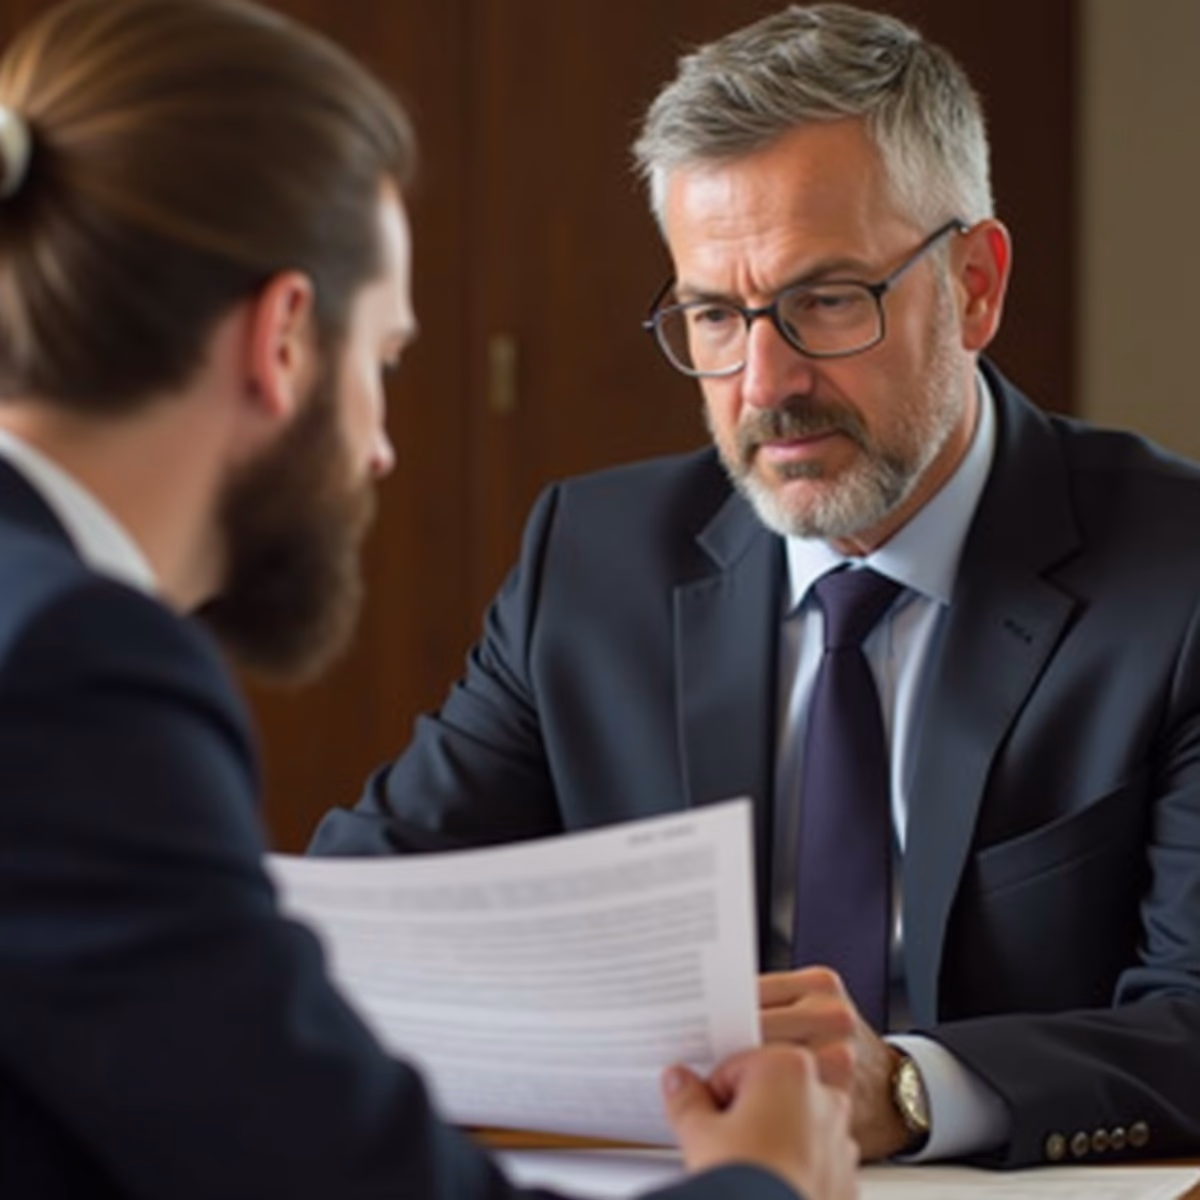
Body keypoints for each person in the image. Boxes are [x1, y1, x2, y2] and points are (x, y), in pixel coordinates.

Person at [311, 0, 1200, 1173]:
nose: (764, 382)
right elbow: (372, 913)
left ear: (975, 286)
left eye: (827, 299)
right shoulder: (591, 559)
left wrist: (912, 1089)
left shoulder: (1178, 579)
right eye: (715, 315)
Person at [0, 2, 862, 1198]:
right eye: (387, 362)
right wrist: (768, 1180)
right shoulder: (67, 668)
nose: (383, 450)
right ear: (285, 340)